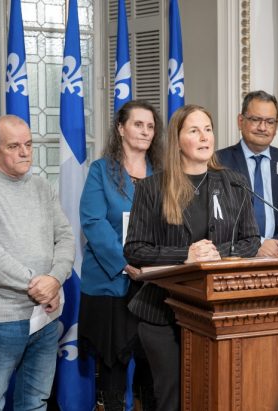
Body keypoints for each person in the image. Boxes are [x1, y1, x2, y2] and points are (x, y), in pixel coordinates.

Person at [124, 105, 260, 411]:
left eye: (208, 129)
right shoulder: (152, 188)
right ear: (178, 139)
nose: (204, 137)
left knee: (214, 394)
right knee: (172, 399)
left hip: (218, 312)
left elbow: (251, 241)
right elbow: (135, 249)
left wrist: (214, 254)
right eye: (194, 130)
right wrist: (186, 254)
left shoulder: (234, 183)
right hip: (162, 313)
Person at [0, 115, 74, 410]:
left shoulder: (41, 186)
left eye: (28, 144)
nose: (25, 152)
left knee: (35, 401)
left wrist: (56, 280)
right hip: (2, 320)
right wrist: (39, 284)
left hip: (46, 316)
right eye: (14, 146)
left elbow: (65, 238)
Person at [78, 101, 163, 410]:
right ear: (121, 128)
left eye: (150, 126)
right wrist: (125, 264)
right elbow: (93, 223)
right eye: (138, 124)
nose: (145, 131)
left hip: (154, 285)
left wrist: (156, 263)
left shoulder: (163, 173)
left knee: (152, 372)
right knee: (113, 372)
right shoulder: (101, 170)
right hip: (111, 283)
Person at [217, 90, 278, 257]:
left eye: (270, 122)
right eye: (256, 120)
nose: (263, 128)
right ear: (240, 121)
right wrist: (257, 245)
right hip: (236, 259)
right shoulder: (218, 163)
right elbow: (217, 220)